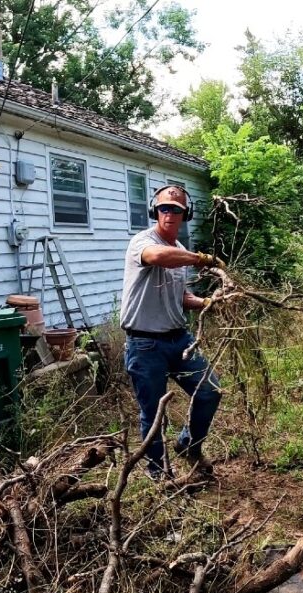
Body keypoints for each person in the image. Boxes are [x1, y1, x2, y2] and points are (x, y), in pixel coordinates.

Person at [120, 184, 225, 479]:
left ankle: (187, 445)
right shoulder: (142, 242)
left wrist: (208, 302)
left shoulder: (179, 250)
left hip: (179, 339)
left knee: (210, 392)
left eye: (176, 210)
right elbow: (156, 258)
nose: (170, 214)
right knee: (153, 414)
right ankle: (158, 474)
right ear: (156, 211)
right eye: (165, 208)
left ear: (184, 215)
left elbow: (181, 296)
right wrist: (202, 258)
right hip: (144, 344)